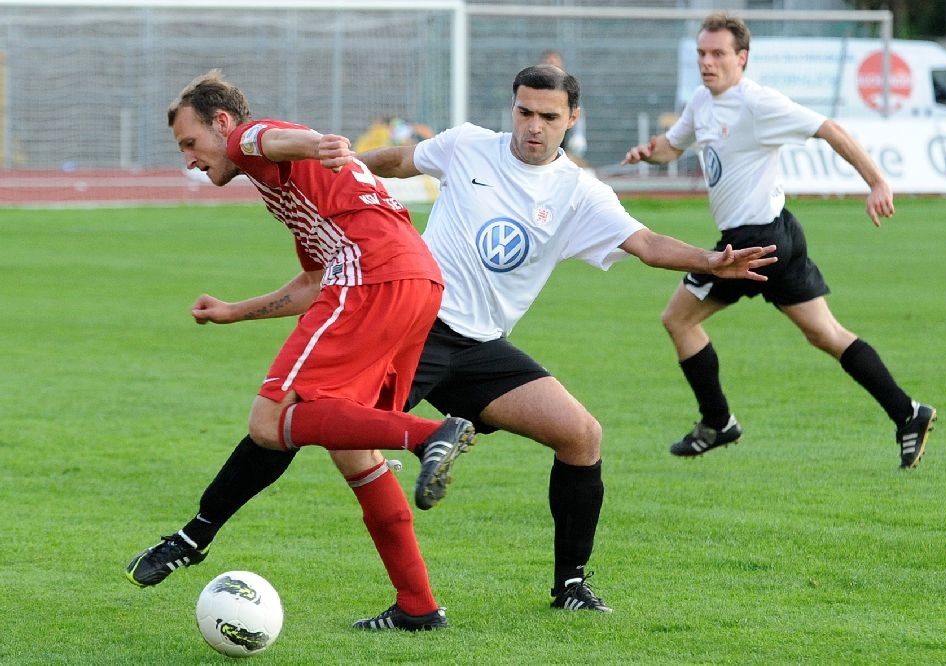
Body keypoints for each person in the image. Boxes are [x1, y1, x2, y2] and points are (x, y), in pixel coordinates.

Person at [124, 64, 777, 619]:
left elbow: (646, 243)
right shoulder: (469, 145)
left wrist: (709, 259)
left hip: (472, 340)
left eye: (548, 117)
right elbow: (390, 164)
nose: (533, 126)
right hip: (418, 323)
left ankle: (569, 586)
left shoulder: (581, 193)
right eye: (524, 112)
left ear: (570, 119)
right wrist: (343, 176)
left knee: (581, 435)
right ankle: (412, 603)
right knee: (324, 433)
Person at [124, 70, 477, 631]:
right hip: (417, 280)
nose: (190, 159)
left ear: (221, 122)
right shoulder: (294, 189)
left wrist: (317, 143)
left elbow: (266, 138)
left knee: (270, 420)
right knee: (351, 447)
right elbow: (314, 282)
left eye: (190, 143)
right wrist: (235, 311)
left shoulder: (250, 140)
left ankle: (430, 435)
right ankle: (417, 605)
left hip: (370, 272)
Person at [622, 13, 936, 468]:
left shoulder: (757, 103)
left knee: (678, 320)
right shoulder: (701, 101)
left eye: (718, 54)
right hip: (779, 234)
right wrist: (650, 154)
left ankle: (718, 422)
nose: (707, 62)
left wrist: (877, 182)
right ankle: (908, 413)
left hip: (751, 244)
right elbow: (674, 145)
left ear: (742, 58)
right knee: (825, 334)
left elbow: (829, 129)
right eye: (702, 54)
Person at [540, 50, 587, 166]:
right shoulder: (535, 87)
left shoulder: (568, 88)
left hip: (562, 135)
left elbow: (577, 111)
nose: (552, 67)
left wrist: (578, 135)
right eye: (548, 64)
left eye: (555, 64)